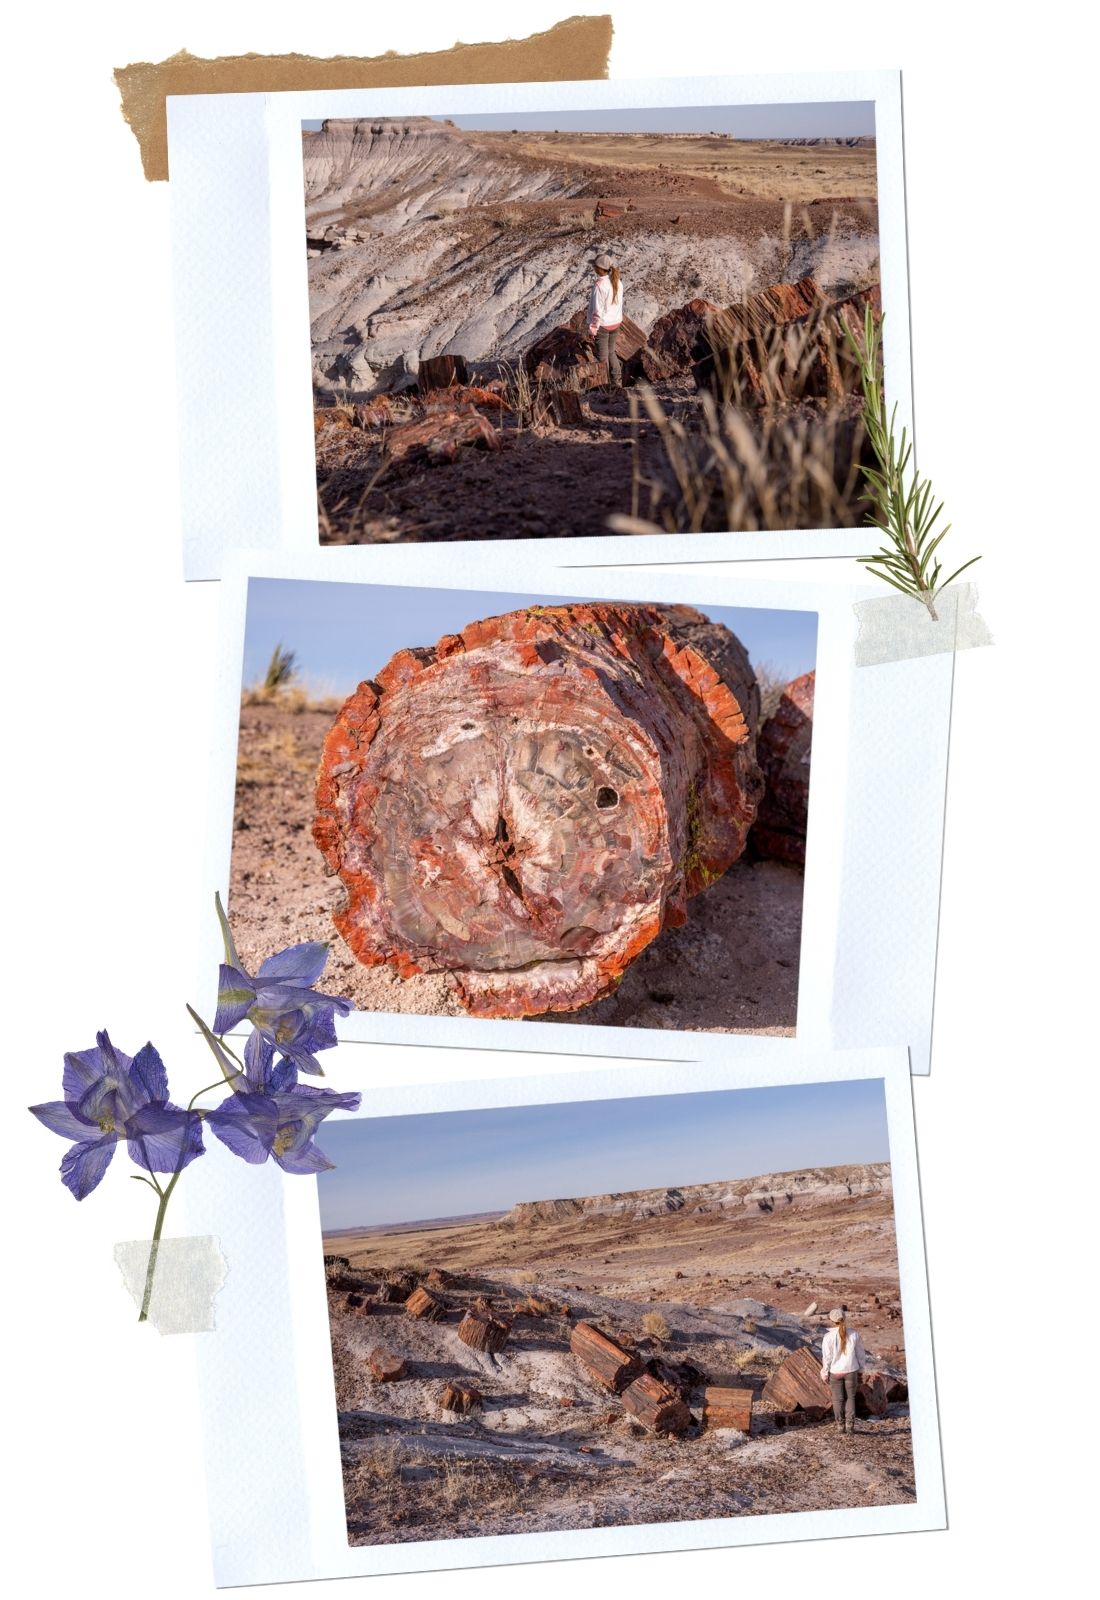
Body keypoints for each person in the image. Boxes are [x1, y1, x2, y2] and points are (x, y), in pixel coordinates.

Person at [820, 1306, 868, 1434]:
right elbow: (860, 1354)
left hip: (835, 1372)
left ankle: (840, 1425)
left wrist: (825, 1373)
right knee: (850, 1398)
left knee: (837, 1399)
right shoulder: (854, 1334)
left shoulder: (828, 1337)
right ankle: (850, 1426)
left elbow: (827, 1358)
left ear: (831, 1320)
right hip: (851, 1370)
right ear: (844, 1319)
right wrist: (861, 1369)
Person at [587, 252, 624, 387]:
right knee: (611, 352)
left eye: (595, 266)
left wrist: (593, 330)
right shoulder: (618, 282)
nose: (593, 268)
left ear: (599, 268)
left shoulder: (599, 286)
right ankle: (617, 380)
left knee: (602, 357)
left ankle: (606, 384)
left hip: (603, 326)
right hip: (615, 323)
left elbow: (597, 311)